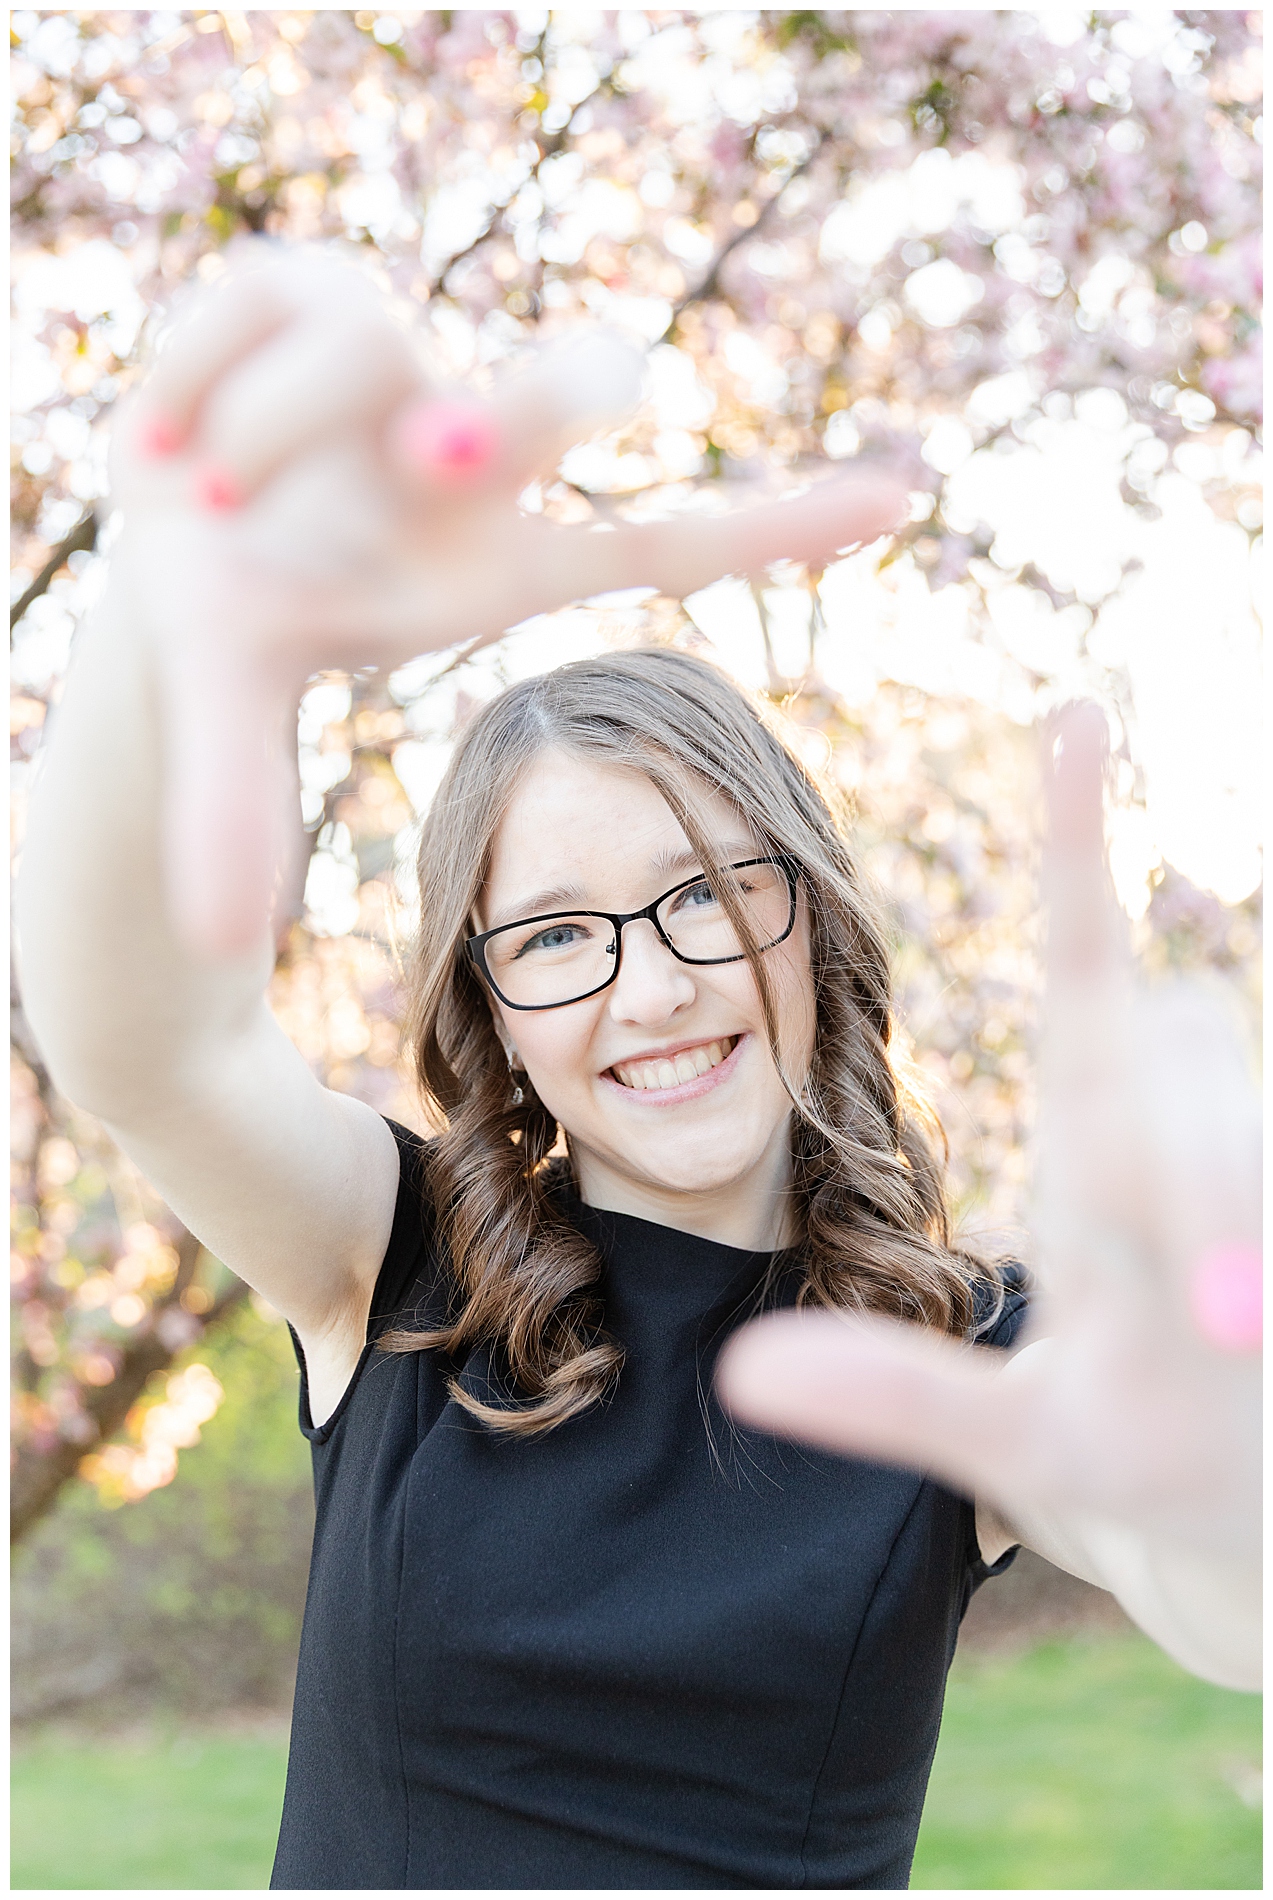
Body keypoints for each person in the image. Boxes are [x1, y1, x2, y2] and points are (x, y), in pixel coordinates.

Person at [18, 249, 1260, 1892]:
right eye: (555, 936)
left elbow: (1215, 1588)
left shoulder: (967, 1360)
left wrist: (1216, 1459)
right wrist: (163, 613)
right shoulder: (390, 1264)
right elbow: (139, 1039)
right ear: (495, 1008)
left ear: (807, 911)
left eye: (703, 894)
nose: (653, 987)